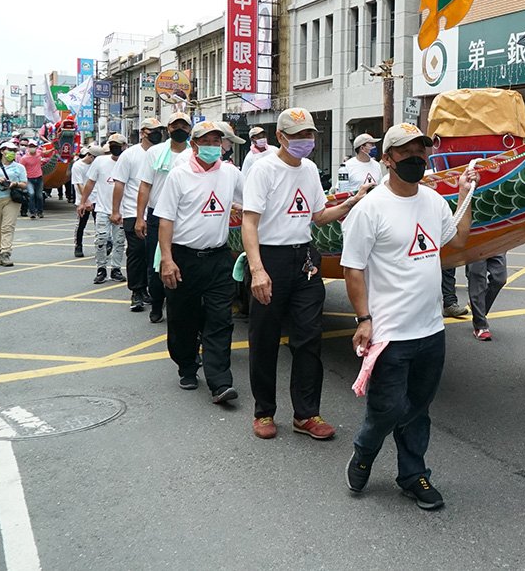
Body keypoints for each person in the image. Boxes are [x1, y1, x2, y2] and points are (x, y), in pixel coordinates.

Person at [341, 123, 476, 511]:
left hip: (431, 330)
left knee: (418, 409)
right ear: (388, 159)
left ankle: (413, 474)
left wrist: (467, 196)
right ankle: (365, 450)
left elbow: (459, 239)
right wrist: (363, 319)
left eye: (422, 151)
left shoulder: (433, 201)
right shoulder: (370, 209)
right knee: (387, 408)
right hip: (390, 333)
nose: (417, 158)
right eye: (406, 152)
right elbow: (353, 268)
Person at [242, 108, 371, 441]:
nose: (305, 141)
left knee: (309, 338)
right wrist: (257, 270)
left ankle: (306, 413)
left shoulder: (311, 169)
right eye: (298, 135)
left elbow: (317, 215)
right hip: (270, 257)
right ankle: (264, 412)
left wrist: (353, 202)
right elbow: (250, 223)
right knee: (265, 338)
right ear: (281, 137)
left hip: (305, 261)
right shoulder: (263, 169)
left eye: (309, 135)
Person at [155, 121, 244, 403]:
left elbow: (252, 201)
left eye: (217, 141)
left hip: (218, 257)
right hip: (184, 258)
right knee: (184, 317)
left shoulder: (230, 173)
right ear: (194, 145)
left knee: (220, 319)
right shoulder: (179, 176)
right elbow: (166, 220)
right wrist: (167, 259)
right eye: (206, 141)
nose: (212, 146)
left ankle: (220, 382)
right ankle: (187, 365)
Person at [136, 112, 194, 324]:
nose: (180, 130)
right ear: (168, 129)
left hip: (186, 215)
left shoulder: (194, 153)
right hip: (157, 215)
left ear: (189, 130)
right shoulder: (155, 153)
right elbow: (145, 185)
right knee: (157, 262)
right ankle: (157, 301)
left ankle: (177, 303)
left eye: (184, 126)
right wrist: (140, 217)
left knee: (183, 261)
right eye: (175, 125)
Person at [112, 117, 163, 312]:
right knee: (137, 252)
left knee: (157, 253)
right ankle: (137, 291)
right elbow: (119, 184)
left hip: (159, 211)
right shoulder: (130, 155)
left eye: (159, 129)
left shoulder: (163, 152)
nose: (156, 133)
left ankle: (156, 291)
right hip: (134, 212)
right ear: (143, 132)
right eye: (152, 130)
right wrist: (116, 211)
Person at [79, 133, 126, 285]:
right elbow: (90, 183)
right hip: (102, 209)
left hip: (122, 210)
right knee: (101, 239)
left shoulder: (128, 162)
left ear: (124, 146)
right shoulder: (100, 161)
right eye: (112, 144)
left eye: (117, 145)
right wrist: (83, 201)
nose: (115, 148)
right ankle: (101, 269)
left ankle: (116, 269)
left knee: (119, 241)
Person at [442, 257, 507, 340]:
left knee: (500, 279)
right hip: (476, 246)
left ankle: (477, 306)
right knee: (477, 278)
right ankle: (480, 325)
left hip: (496, 245)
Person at [70, 146, 96, 258]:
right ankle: (78, 246)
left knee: (100, 224)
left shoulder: (97, 165)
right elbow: (79, 184)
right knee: (81, 224)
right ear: (90, 156)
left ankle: (103, 245)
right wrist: (86, 201)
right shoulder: (77, 166)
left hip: (97, 198)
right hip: (83, 200)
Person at [17, 140, 46, 219]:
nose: (32, 148)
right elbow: (20, 169)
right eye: (30, 146)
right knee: (31, 194)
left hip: (39, 177)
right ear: (28, 148)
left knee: (39, 196)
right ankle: (32, 212)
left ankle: (40, 212)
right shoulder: (24, 158)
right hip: (29, 179)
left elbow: (46, 152)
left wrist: (54, 149)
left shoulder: (39, 154)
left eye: (34, 147)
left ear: (36, 148)